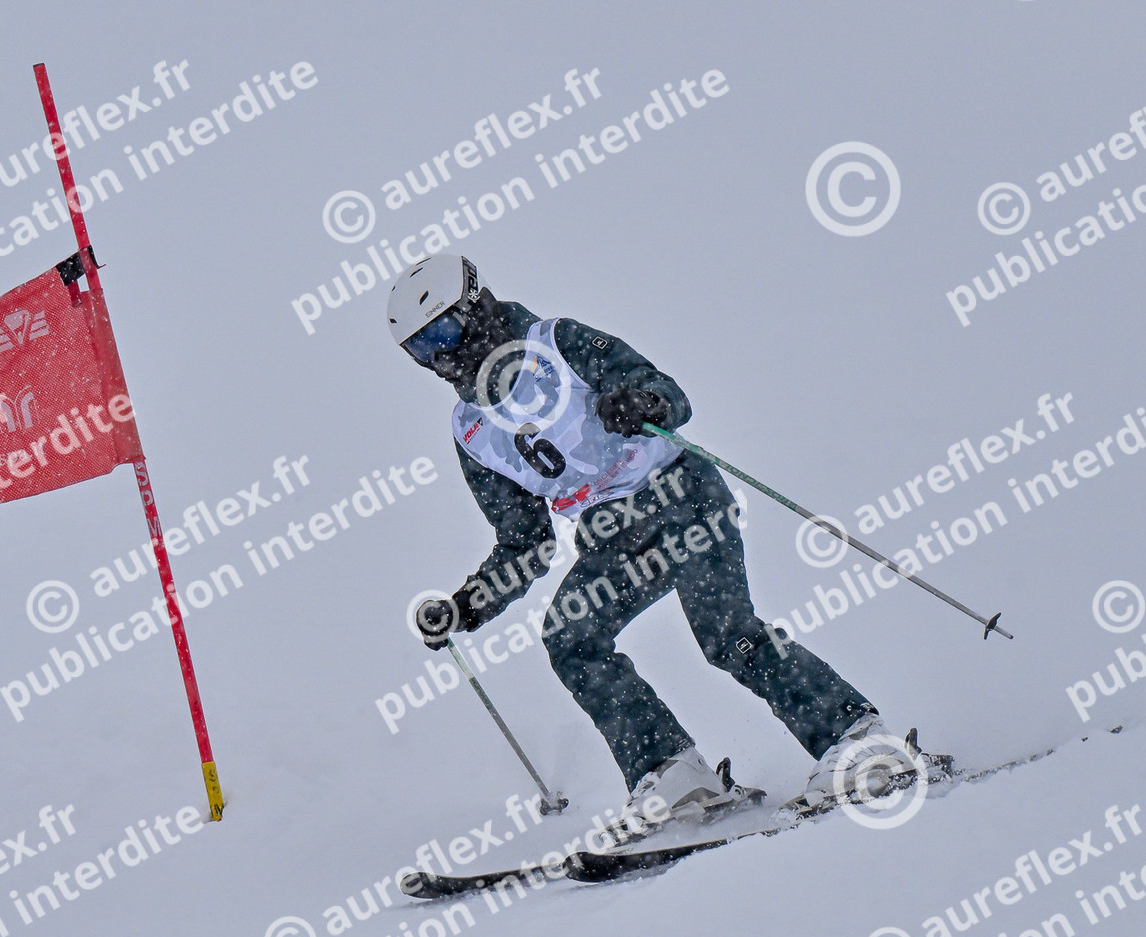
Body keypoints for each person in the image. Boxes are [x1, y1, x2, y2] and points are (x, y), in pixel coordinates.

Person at [388, 254, 908, 824]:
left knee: (727, 634)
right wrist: (467, 606)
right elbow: (526, 541)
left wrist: (641, 401)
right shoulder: (471, 431)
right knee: (570, 635)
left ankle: (856, 740)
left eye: (442, 332)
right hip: (614, 540)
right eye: (420, 348)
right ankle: (672, 773)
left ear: (476, 306)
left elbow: (666, 392)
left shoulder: (557, 343)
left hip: (683, 498)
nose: (439, 356)